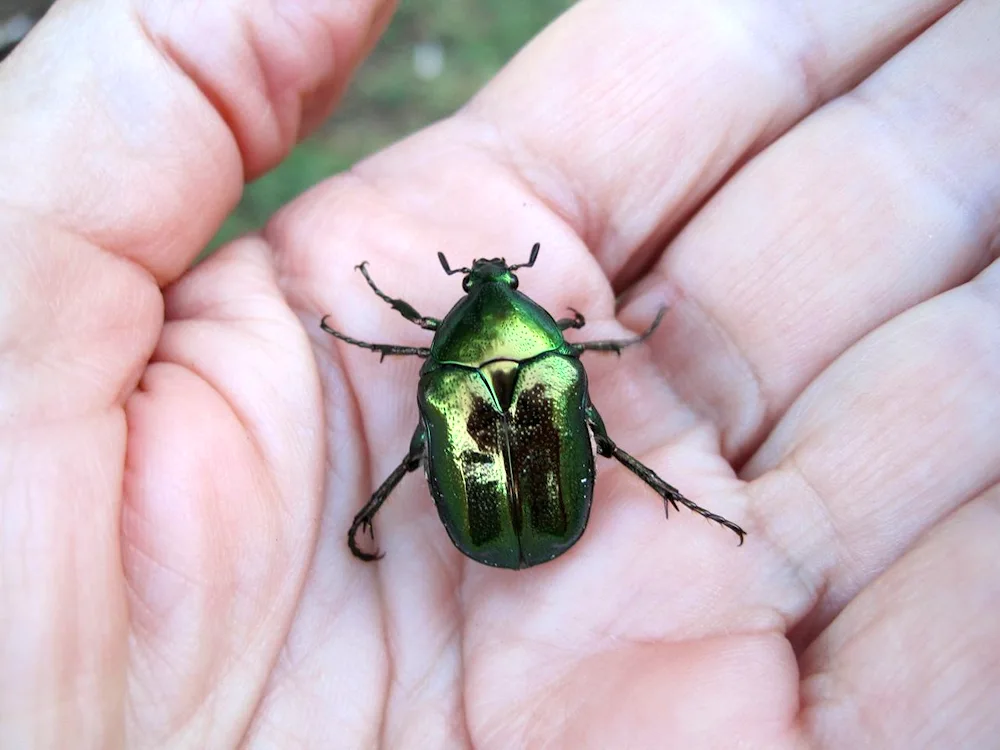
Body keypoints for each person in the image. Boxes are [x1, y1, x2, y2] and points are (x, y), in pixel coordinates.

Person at [1, 0, 997, 746]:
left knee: (483, 437)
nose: (483, 286)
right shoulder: (542, 354)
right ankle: (667, 497)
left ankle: (578, 494)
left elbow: (411, 343)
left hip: (493, 517)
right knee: (590, 432)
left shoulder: (446, 367)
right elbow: (488, 361)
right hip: (529, 509)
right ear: (528, 319)